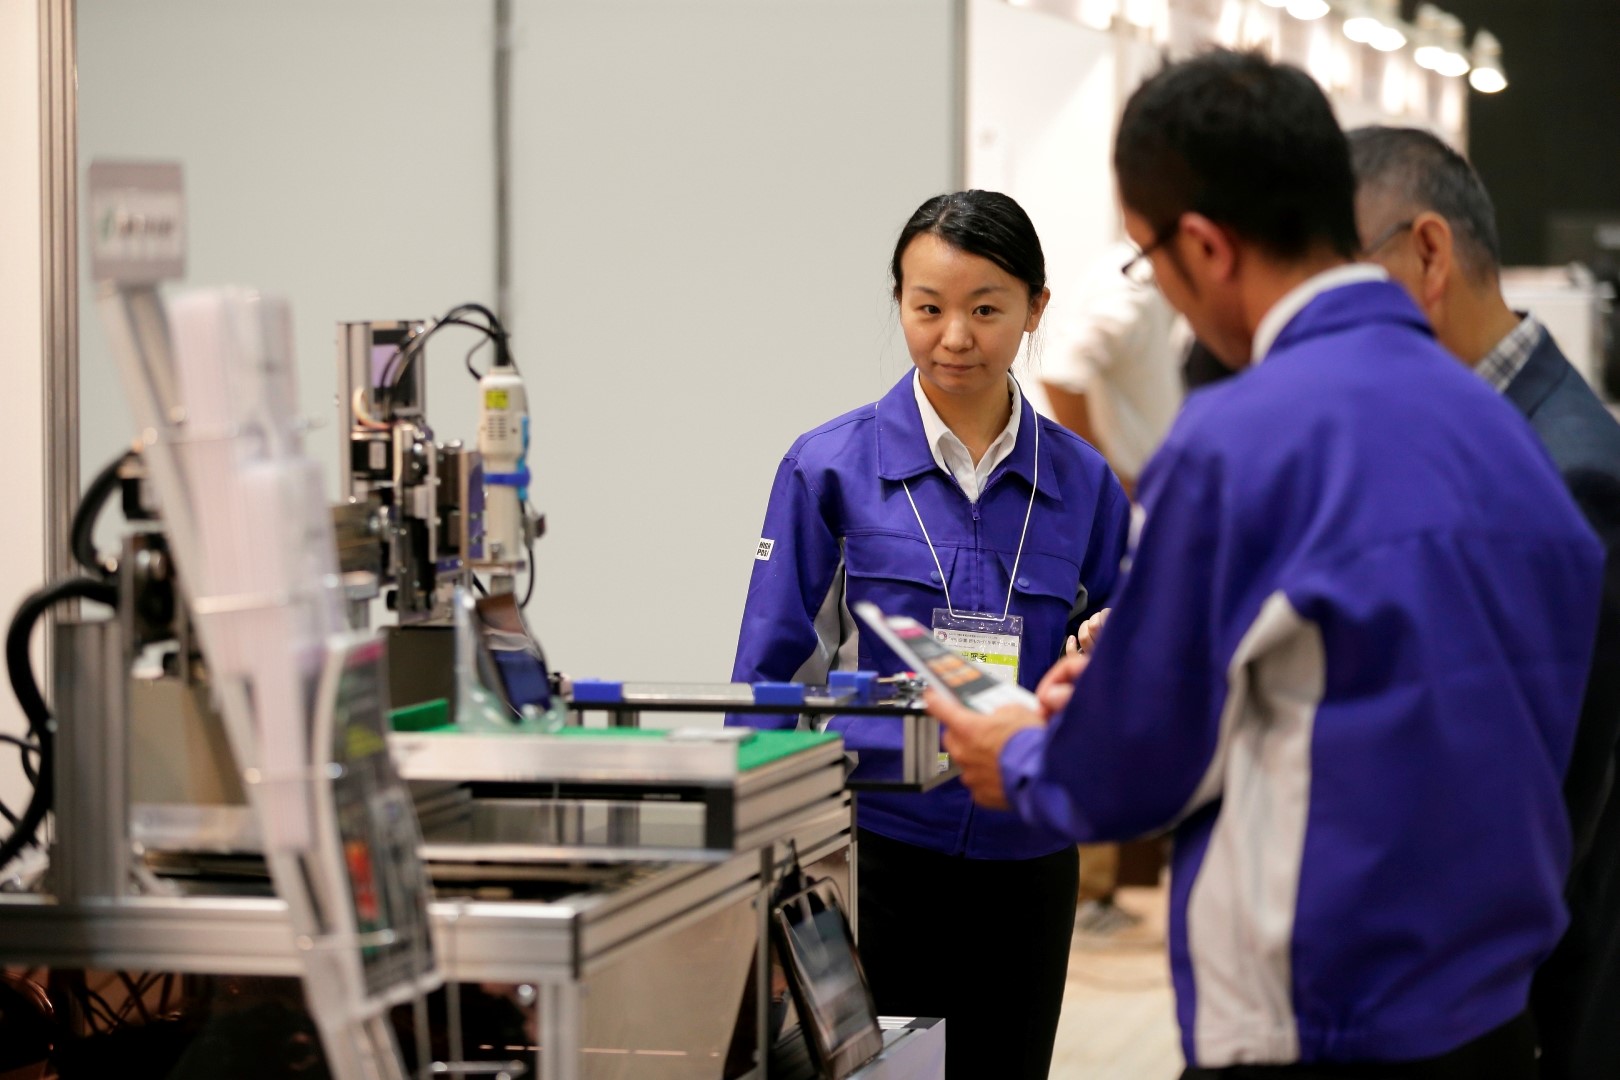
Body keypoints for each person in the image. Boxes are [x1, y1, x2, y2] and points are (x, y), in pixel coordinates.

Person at [927, 50, 1604, 1077]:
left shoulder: (1240, 441)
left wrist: (1019, 753)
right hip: (1493, 1024)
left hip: (1320, 1029)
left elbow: (1130, 771)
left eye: (1149, 260)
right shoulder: (1508, 430)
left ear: (1204, 247)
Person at [730, 189, 1130, 1079]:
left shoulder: (1085, 483)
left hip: (1028, 857)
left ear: (1035, 308)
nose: (955, 336)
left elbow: (1127, 659)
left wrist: (1110, 648)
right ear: (900, 305)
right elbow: (769, 679)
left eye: (986, 309)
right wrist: (760, 868)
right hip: (874, 856)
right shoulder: (828, 469)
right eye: (928, 308)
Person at [1349, 124, 1620, 1080]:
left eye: (1341, 284)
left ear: (1427, 254)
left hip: (1521, 1002)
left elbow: (1556, 801)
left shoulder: (1563, 468)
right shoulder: (1472, 433)